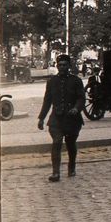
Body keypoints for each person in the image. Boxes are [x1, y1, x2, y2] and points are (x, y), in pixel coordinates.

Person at [37, 54, 85, 182]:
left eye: (65, 65)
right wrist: (41, 118)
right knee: (56, 142)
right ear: (57, 66)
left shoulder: (76, 81)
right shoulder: (52, 82)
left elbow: (81, 98)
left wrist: (76, 108)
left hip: (72, 119)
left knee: (70, 144)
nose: (62, 67)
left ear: (69, 66)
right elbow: (47, 101)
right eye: (60, 65)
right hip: (56, 119)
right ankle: (56, 173)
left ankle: (71, 167)